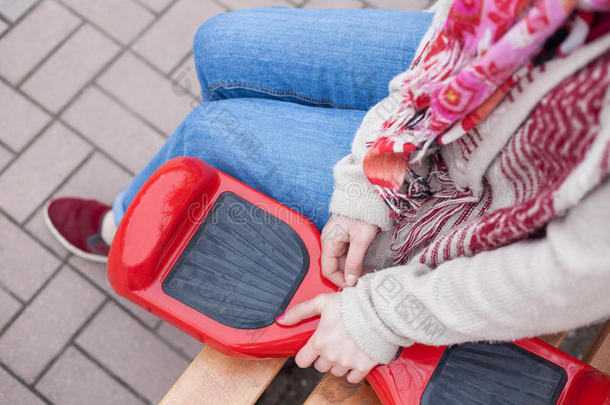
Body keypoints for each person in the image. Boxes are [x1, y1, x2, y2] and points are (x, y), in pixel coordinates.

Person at [45, 1, 610, 384]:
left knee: (209, 133)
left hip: (478, 211)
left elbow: (578, 275)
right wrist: (370, 174)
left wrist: (385, 316)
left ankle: (127, 228)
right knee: (222, 44)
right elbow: (460, 34)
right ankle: (222, 209)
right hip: (493, 72)